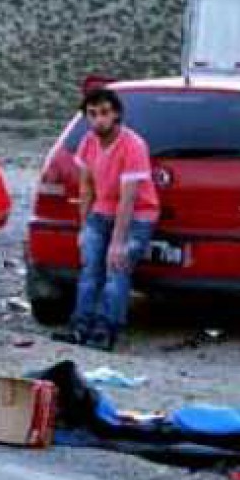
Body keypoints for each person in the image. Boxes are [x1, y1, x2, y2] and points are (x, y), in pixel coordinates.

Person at [56, 88, 160, 351]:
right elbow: (86, 187)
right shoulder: (88, 142)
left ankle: (106, 329)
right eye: (92, 114)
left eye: (104, 113)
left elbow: (128, 198)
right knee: (90, 269)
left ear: (116, 115)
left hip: (136, 214)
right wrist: (84, 227)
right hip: (101, 211)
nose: (98, 119)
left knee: (117, 267)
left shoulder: (132, 145)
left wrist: (117, 241)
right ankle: (80, 326)